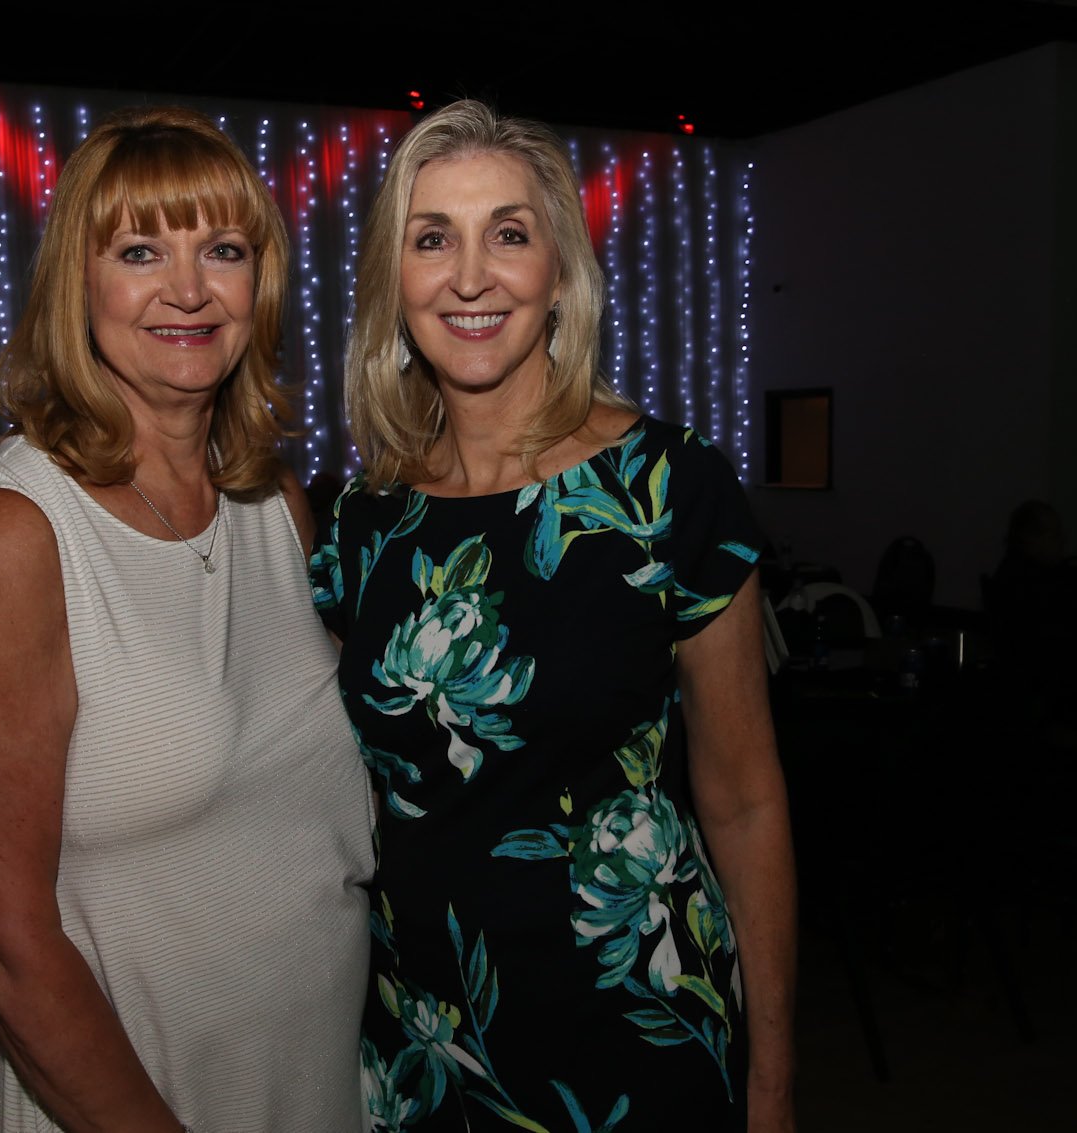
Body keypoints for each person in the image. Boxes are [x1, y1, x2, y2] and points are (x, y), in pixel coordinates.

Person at [311, 100, 797, 1130]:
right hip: (424, 1042)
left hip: (639, 1028)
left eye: (508, 234)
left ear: (560, 273)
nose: (470, 276)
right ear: (394, 281)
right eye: (431, 238)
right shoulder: (362, 521)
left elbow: (746, 801)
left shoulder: (669, 488)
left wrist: (774, 1080)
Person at [0, 106, 374, 1132]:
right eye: (138, 252)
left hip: (320, 1083)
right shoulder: (18, 530)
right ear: (76, 285)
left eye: (223, 250)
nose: (188, 289)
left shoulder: (272, 505)